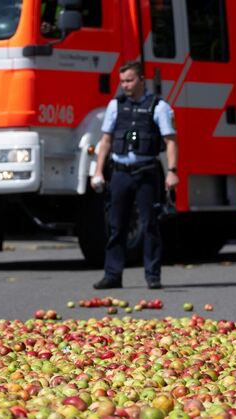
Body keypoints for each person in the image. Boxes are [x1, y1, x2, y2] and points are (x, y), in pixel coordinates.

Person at [92, 60, 179, 290]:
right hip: (120, 173)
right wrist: (98, 171)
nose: (125, 86)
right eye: (122, 82)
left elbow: (170, 141)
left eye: (129, 80)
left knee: (150, 224)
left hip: (146, 172)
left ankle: (152, 275)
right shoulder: (115, 106)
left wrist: (172, 171)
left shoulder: (158, 107)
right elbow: (106, 141)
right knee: (116, 224)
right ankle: (112, 275)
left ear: (142, 80)